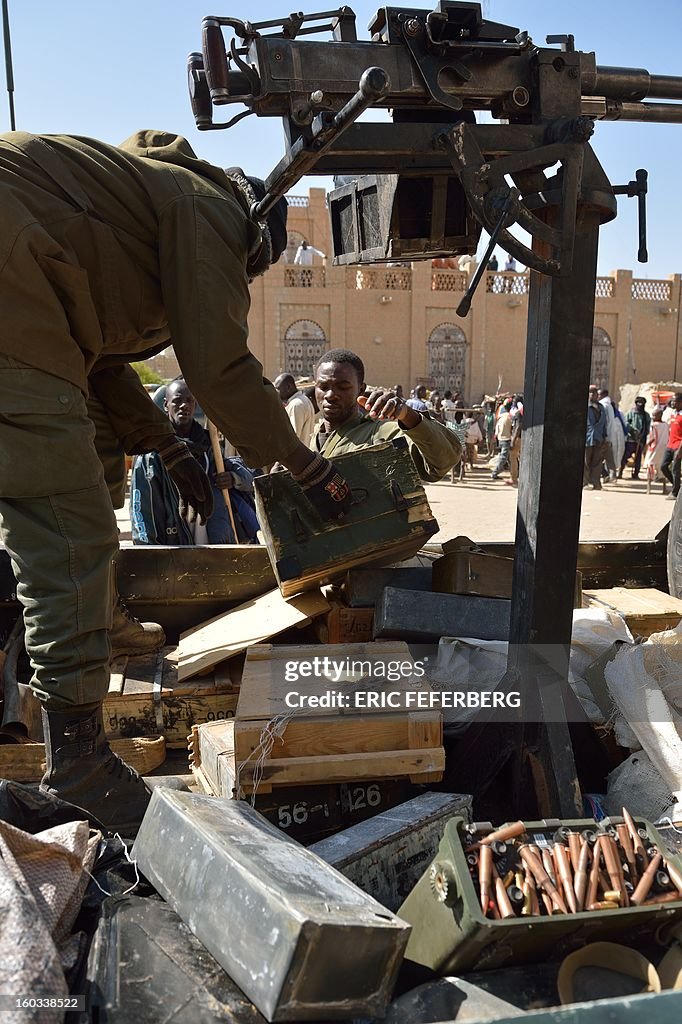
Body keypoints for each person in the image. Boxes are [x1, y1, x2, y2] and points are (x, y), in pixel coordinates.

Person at [0, 128, 354, 833]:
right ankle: (77, 757)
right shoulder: (211, 205)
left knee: (86, 466)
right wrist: (303, 462)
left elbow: (98, 361)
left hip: (26, 277)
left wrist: (166, 445)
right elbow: (216, 360)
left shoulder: (124, 201)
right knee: (66, 519)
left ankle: (98, 619)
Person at [130, 378, 259, 544]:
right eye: (177, 401)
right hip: (176, 543)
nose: (184, 405)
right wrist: (149, 551)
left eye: (189, 400)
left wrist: (233, 479)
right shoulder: (152, 455)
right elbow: (142, 509)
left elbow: (253, 477)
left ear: (195, 404)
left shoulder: (209, 445)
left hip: (214, 539)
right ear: (165, 405)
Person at [310, 349, 461, 480]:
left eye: (342, 387)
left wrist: (407, 415)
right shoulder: (314, 437)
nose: (330, 395)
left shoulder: (381, 432)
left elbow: (443, 461)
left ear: (361, 390)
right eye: (323, 387)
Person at [274, 373, 316, 447]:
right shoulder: (303, 399)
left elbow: (292, 437)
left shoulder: (296, 405)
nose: (276, 393)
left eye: (278, 389)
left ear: (288, 387)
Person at [621, 397, 651, 480]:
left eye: (642, 403)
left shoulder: (646, 415)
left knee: (638, 458)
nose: (640, 405)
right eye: (638, 403)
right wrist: (633, 432)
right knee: (626, 455)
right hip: (631, 439)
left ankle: (636, 474)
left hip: (641, 440)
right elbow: (627, 424)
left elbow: (647, 428)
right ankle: (620, 472)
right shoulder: (631, 413)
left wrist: (642, 435)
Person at [598, 388, 624, 484]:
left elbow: (605, 422)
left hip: (604, 435)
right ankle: (611, 475)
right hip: (609, 435)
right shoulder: (609, 405)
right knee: (609, 457)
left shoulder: (604, 405)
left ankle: (605, 475)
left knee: (597, 458)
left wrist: (604, 435)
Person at [585, 386, 608, 489]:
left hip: (598, 438)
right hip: (588, 438)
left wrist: (604, 437)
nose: (592, 395)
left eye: (594, 393)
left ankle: (596, 483)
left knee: (597, 462)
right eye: (590, 393)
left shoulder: (601, 407)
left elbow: (604, 423)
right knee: (586, 462)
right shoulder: (586, 407)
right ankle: (585, 483)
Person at [660, 392, 682, 500]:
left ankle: (675, 492)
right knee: (663, 466)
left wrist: (680, 450)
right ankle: (677, 485)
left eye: (675, 401)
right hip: (670, 445)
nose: (672, 403)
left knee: (675, 469)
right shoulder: (673, 414)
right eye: (672, 401)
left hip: (678, 446)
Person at [644, 408, 670, 494]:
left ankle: (648, 488)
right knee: (661, 469)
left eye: (654, 415)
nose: (653, 417)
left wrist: (647, 444)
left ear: (659, 416)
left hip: (654, 450)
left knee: (650, 466)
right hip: (663, 449)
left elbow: (651, 439)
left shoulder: (653, 426)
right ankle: (664, 488)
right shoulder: (666, 425)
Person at [491, 400, 514, 479]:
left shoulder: (502, 416)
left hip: (500, 438)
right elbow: (513, 428)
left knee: (503, 456)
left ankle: (503, 470)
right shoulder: (510, 417)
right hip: (506, 438)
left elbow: (497, 427)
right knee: (503, 457)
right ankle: (495, 472)